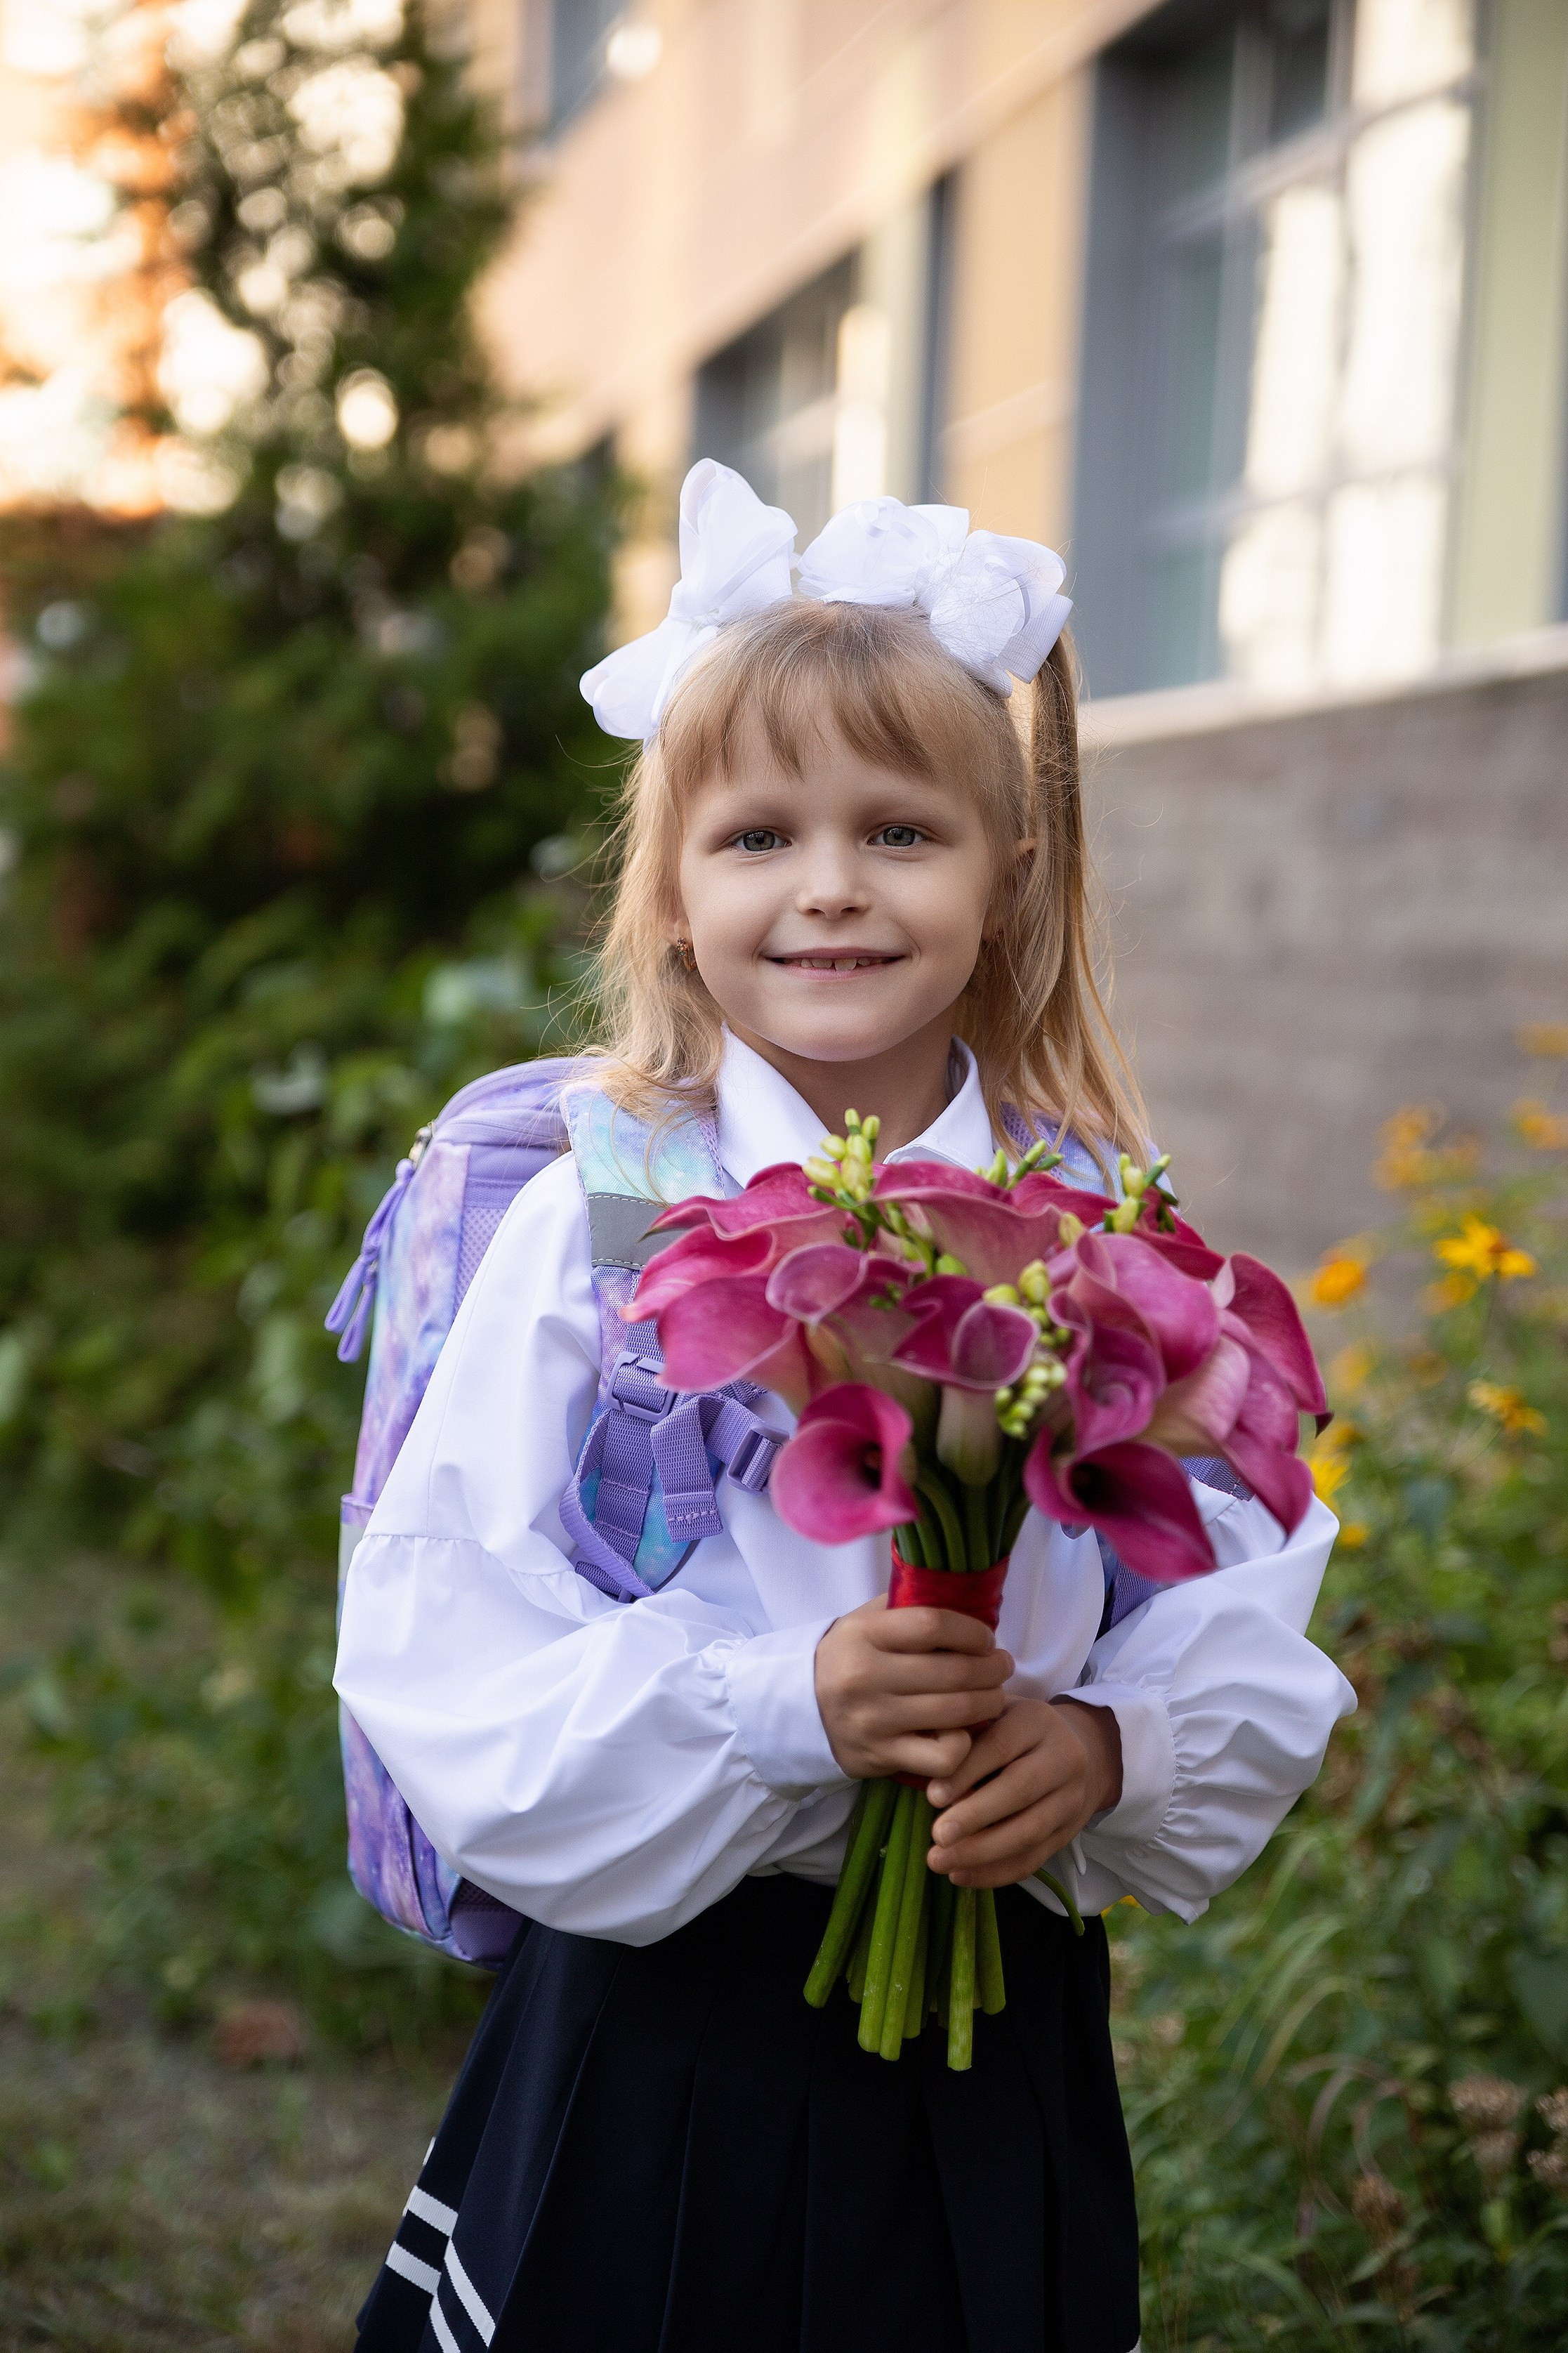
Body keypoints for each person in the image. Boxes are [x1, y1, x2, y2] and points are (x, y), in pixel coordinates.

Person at [336, 462, 1354, 2353]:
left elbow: (1251, 1578)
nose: (825, 888)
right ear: (668, 889)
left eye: (897, 830)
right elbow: (439, 1627)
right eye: (755, 838)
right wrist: (774, 1706)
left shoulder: (1098, 1226)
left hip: (989, 2022)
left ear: (1008, 873)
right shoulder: (595, 1212)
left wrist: (1112, 1748)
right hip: (666, 2026)